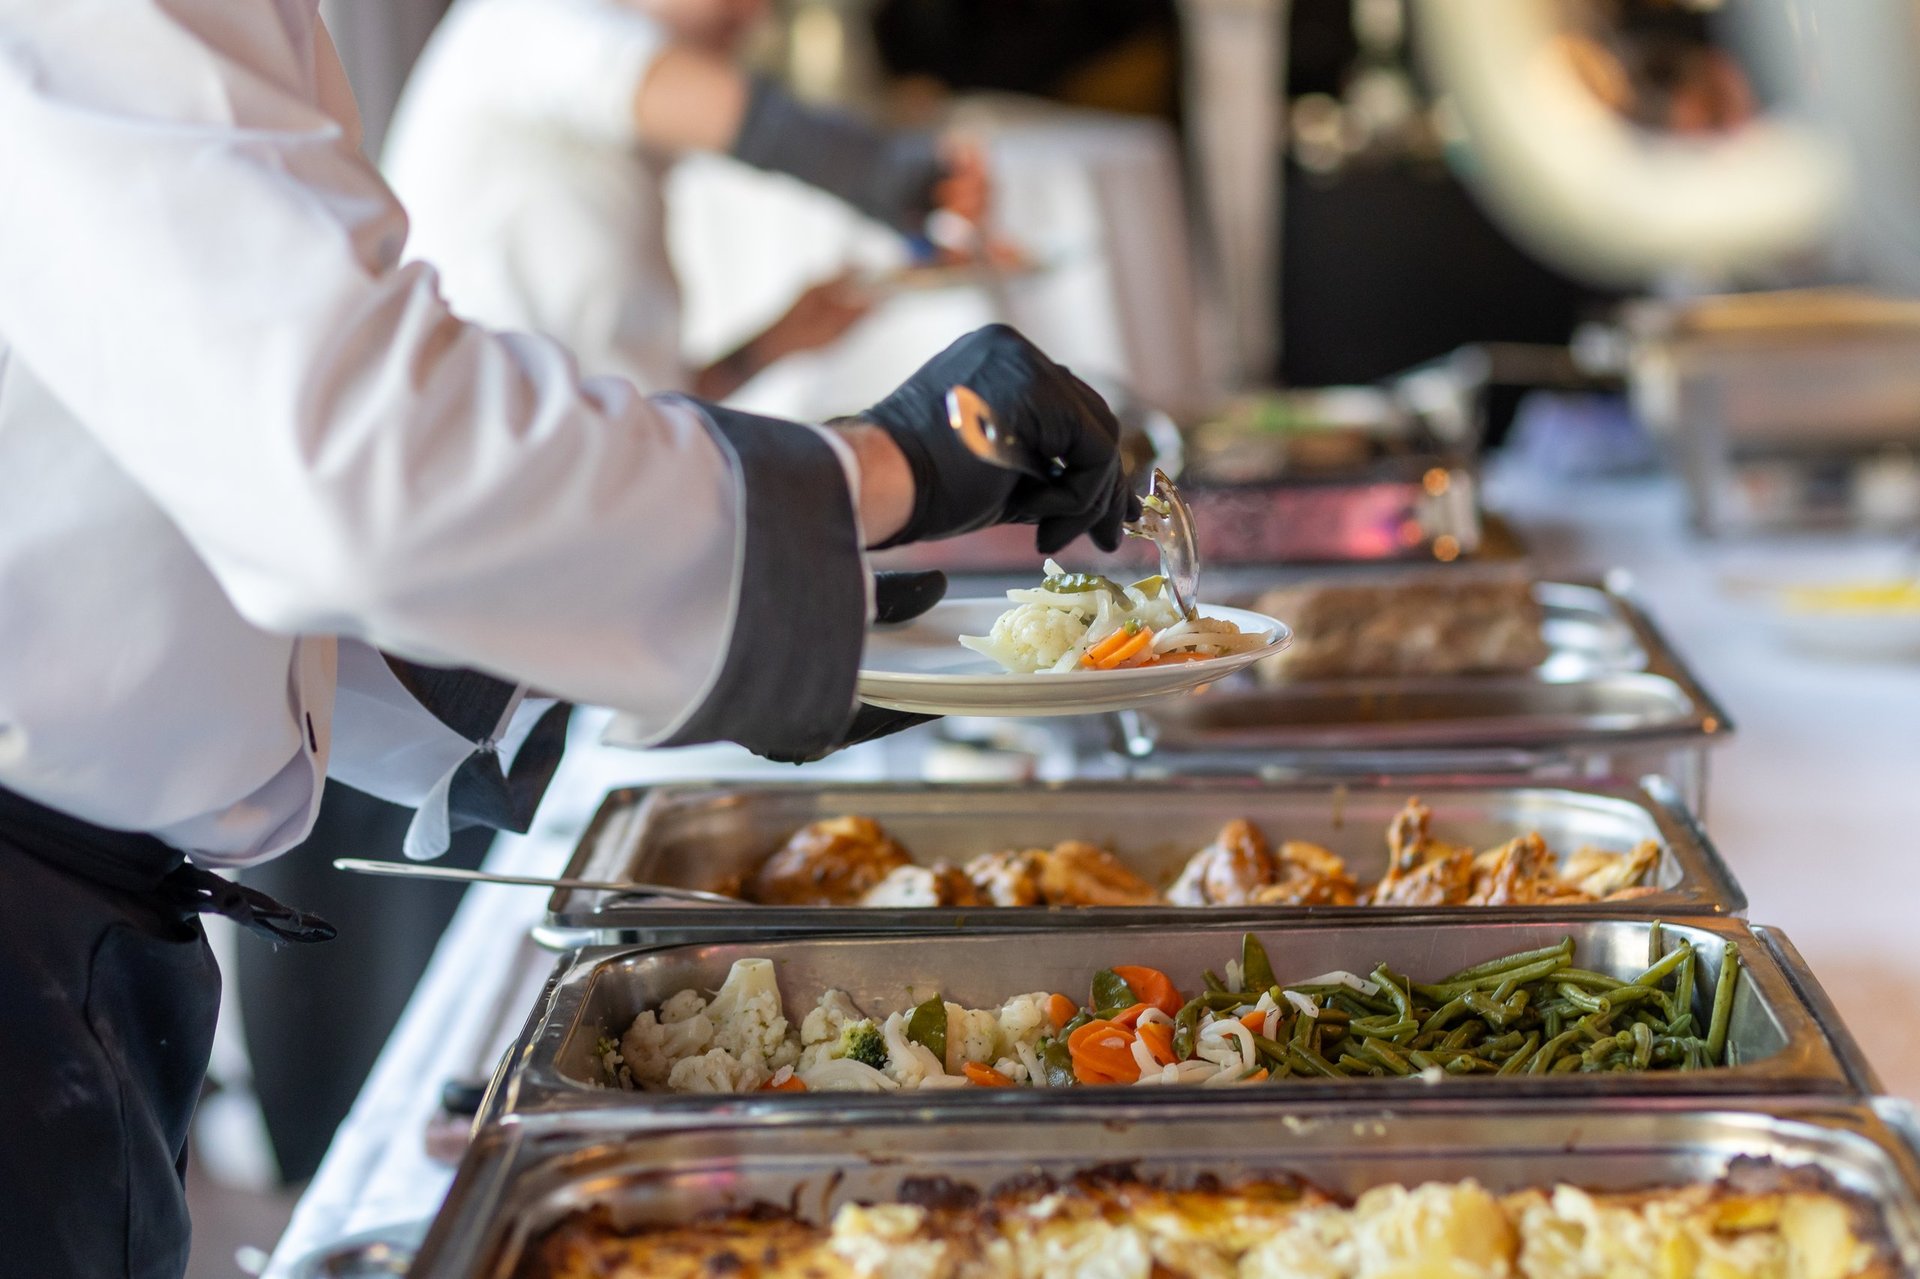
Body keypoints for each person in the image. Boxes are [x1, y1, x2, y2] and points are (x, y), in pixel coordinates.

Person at [0, 3, 1134, 1274]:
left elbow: (174, 499)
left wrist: (759, 610)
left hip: (98, 915)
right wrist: (896, 464)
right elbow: (365, 472)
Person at [384, 0, 989, 399]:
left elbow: (637, 419)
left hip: (577, 506)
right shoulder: (529, 21)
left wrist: (765, 349)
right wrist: (894, 176)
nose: (755, 15)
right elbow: (741, 115)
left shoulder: (609, 133)